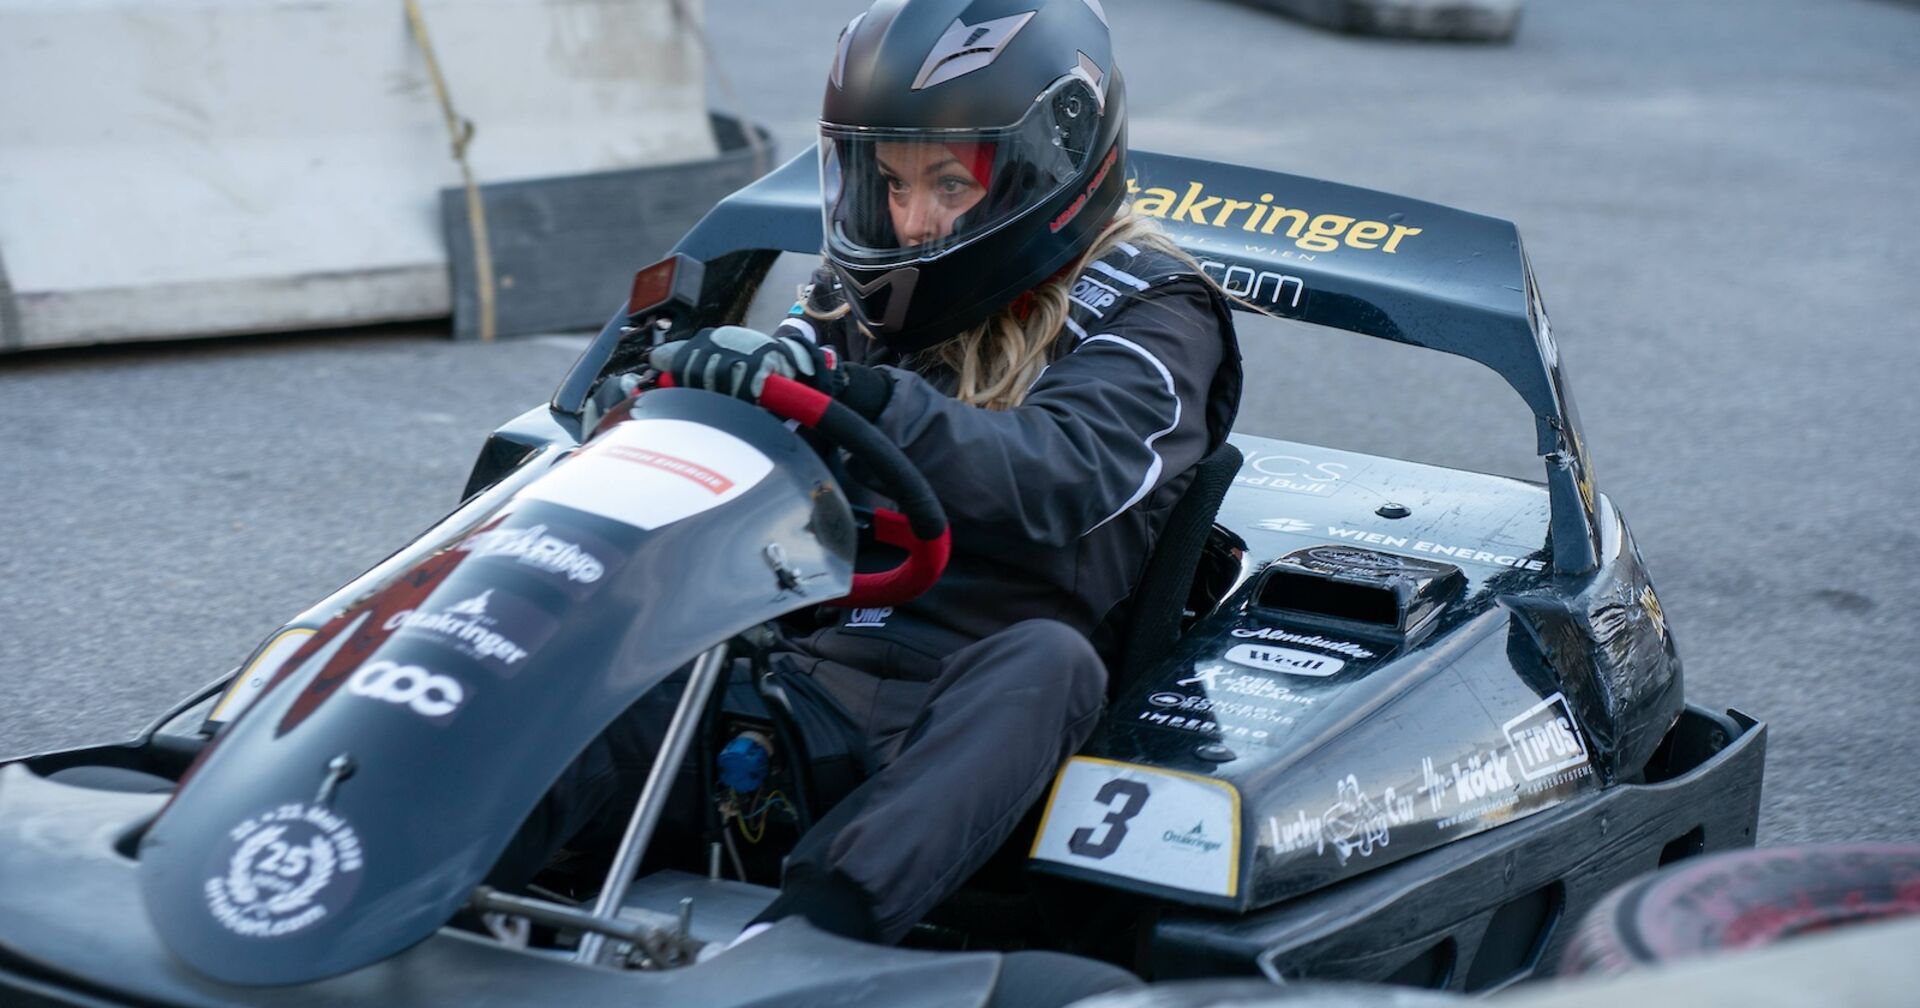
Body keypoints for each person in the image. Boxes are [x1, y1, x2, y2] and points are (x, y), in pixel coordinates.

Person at [501, 0, 1242, 949]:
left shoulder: (1156, 312)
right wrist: (670, 399)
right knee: (585, 595)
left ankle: (800, 950)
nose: (911, 219)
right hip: (786, 682)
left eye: (949, 183)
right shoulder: (855, 296)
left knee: (1051, 665)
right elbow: (746, 435)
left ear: (1051, 161)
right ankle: (406, 866)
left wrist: (862, 398)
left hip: (958, 723)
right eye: (891, 181)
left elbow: (1062, 475)